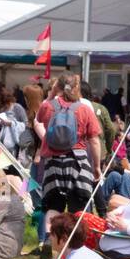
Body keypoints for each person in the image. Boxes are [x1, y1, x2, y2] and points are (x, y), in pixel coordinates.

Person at [36, 74, 102, 233]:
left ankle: (50, 243)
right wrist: (97, 166)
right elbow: (94, 140)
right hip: (77, 161)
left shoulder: (48, 106)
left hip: (53, 162)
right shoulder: (84, 109)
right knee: (79, 206)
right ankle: (79, 242)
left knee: (53, 205)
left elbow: (39, 118)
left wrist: (52, 94)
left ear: (57, 87)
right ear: (77, 89)